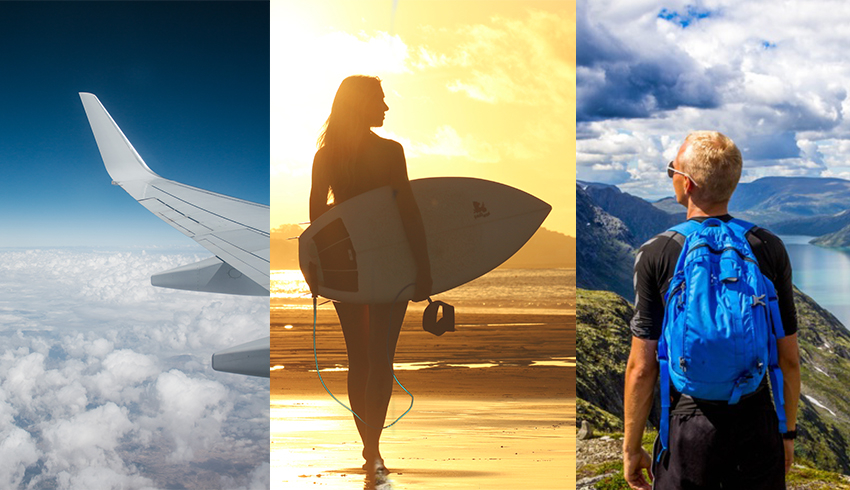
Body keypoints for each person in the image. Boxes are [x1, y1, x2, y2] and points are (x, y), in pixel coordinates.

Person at [622, 131, 801, 490]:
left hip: (687, 426)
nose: (670, 174)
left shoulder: (657, 252)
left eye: (671, 168)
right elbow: (788, 360)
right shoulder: (767, 246)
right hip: (756, 419)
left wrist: (631, 449)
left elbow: (642, 368)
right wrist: (786, 432)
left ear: (686, 183)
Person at [309, 75, 433, 477]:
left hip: (348, 268)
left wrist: (323, 271)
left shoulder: (326, 156)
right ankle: (373, 451)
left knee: (359, 360)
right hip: (390, 266)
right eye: (379, 100)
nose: (385, 107)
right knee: (380, 359)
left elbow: (317, 220)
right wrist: (424, 269)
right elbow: (409, 213)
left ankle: (369, 448)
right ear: (361, 104)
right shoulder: (390, 152)